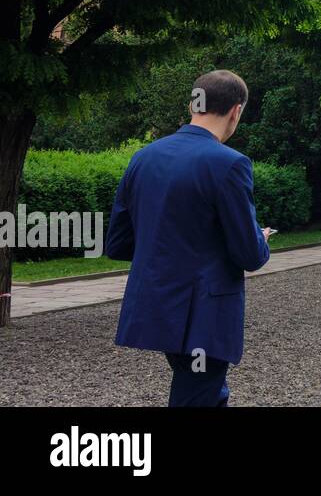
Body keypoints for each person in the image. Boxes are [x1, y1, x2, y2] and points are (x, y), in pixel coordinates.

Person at [105, 70, 272, 406]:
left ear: (193, 104)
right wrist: (260, 237)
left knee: (205, 390)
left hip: (159, 304)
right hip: (204, 312)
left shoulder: (143, 157)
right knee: (198, 395)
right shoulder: (230, 164)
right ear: (236, 110)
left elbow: (120, 241)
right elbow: (249, 254)